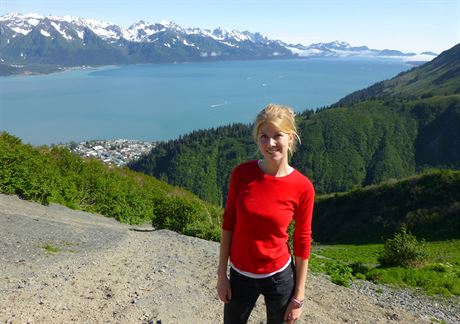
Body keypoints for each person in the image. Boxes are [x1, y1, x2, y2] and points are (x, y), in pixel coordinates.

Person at [216, 103, 315, 324]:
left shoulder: (302, 187)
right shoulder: (242, 174)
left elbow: (302, 240)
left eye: (277, 135)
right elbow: (228, 223)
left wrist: (298, 297)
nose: (270, 143)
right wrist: (222, 275)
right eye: (263, 136)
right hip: (240, 275)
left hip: (279, 278)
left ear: (291, 138)